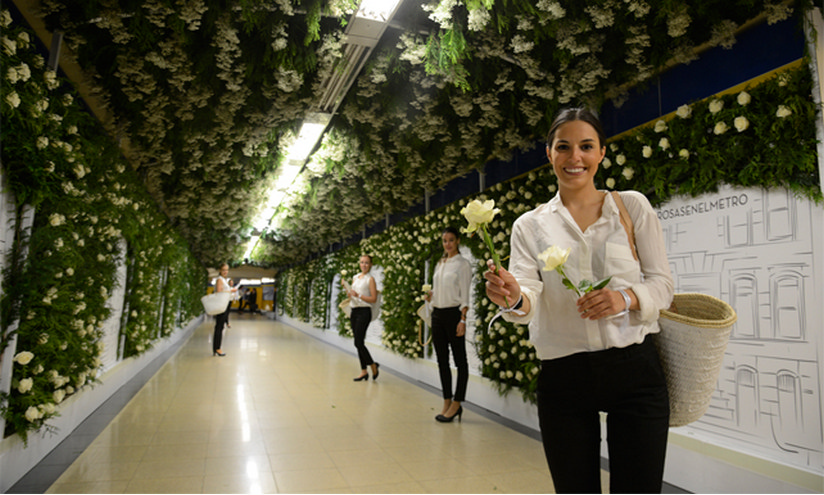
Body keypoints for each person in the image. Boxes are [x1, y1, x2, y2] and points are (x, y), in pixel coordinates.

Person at [484, 107, 674, 493]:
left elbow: (663, 286)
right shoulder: (531, 225)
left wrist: (625, 298)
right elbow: (527, 297)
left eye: (586, 146)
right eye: (564, 147)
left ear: (602, 152)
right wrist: (512, 296)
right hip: (564, 375)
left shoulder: (631, 207)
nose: (575, 158)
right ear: (549, 154)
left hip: (634, 369)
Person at [424, 227, 472, 423]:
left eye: (451, 240)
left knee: (460, 361)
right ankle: (446, 400)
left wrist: (463, 319)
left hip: (454, 315)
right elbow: (439, 289)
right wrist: (430, 296)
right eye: (445, 240)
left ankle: (457, 402)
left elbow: (465, 294)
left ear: (458, 241)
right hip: (437, 314)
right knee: (442, 360)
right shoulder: (439, 263)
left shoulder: (463, 264)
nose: (448, 244)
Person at [344, 255, 380, 381]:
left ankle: (372, 364)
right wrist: (349, 292)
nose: (364, 265)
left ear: (370, 265)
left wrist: (358, 295)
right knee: (359, 342)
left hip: (364, 311)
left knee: (358, 342)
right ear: (359, 264)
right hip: (354, 310)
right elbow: (352, 295)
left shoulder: (370, 279)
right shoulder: (355, 277)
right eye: (362, 262)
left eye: (366, 263)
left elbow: (373, 299)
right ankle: (364, 371)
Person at [213, 263, 238, 356]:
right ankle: (217, 348)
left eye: (227, 270)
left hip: (224, 305)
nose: (225, 272)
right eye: (223, 270)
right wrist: (231, 290)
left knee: (220, 327)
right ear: (220, 270)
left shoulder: (224, 280)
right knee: (219, 327)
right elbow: (219, 292)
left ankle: (217, 347)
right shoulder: (220, 280)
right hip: (221, 306)